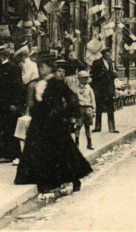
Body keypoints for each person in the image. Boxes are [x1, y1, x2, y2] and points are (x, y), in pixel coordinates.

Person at [15, 59, 92, 197]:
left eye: (43, 66)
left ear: (49, 68)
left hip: (53, 124)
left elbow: (72, 98)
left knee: (62, 152)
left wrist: (64, 113)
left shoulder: (56, 83)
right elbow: (35, 103)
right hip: (39, 123)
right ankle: (41, 180)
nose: (40, 69)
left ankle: (74, 179)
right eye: (39, 67)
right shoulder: (38, 83)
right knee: (37, 150)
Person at [0, 45, 25, 164]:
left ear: (2, 56)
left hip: (10, 105)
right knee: (0, 128)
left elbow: (18, 87)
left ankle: (15, 155)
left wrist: (15, 102)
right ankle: (3, 153)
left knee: (11, 128)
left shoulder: (13, 68)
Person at [90, 47, 118, 133]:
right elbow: (93, 75)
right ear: (104, 54)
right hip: (100, 89)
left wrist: (114, 74)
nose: (110, 54)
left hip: (109, 89)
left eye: (110, 52)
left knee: (110, 108)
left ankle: (112, 128)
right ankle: (98, 127)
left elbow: (112, 76)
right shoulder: (96, 63)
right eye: (108, 53)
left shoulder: (110, 63)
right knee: (99, 108)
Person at [74, 70, 95, 150]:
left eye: (87, 78)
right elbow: (75, 99)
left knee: (87, 127)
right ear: (79, 79)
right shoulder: (76, 88)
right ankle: (76, 143)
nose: (86, 80)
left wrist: (93, 110)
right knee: (78, 126)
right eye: (84, 78)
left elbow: (93, 99)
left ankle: (89, 144)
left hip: (88, 108)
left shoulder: (89, 88)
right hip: (80, 108)